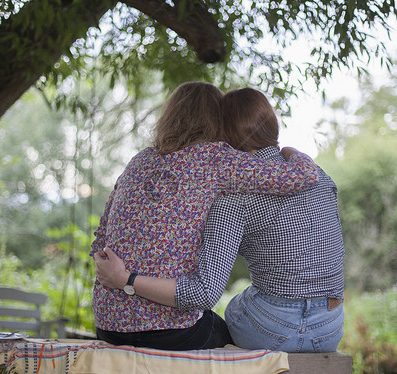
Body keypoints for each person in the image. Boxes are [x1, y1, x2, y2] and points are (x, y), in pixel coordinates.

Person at [96, 87, 345, 353]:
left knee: (235, 307)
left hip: (109, 321)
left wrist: (122, 278)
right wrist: (292, 151)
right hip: (330, 327)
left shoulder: (140, 160)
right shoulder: (321, 177)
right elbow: (301, 176)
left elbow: (100, 237)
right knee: (230, 308)